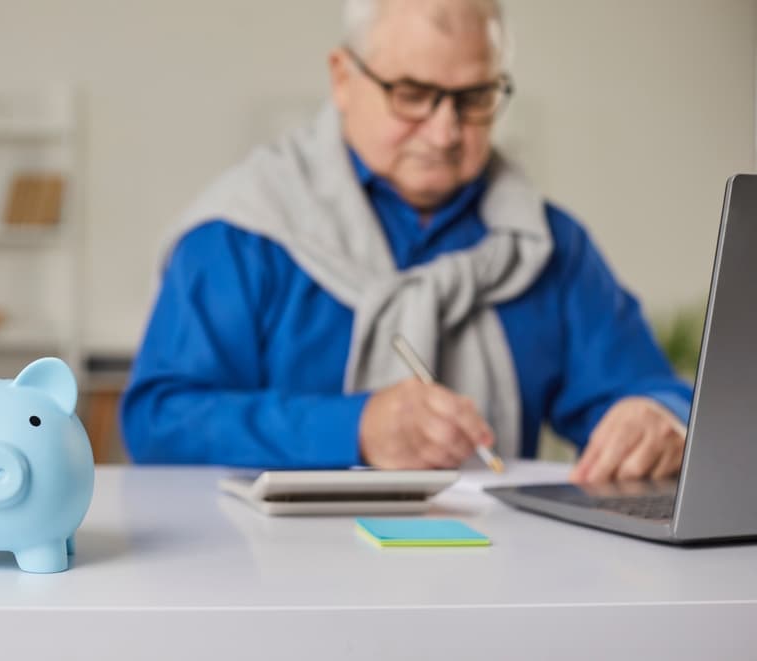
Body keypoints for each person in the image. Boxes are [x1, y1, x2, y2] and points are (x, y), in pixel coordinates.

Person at [121, 0, 692, 484]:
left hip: (501, 586)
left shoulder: (549, 247)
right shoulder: (241, 233)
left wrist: (655, 417)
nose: (445, 132)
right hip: (274, 587)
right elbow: (159, 422)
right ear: (343, 79)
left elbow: (649, 392)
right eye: (413, 94)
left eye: (474, 99)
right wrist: (356, 429)